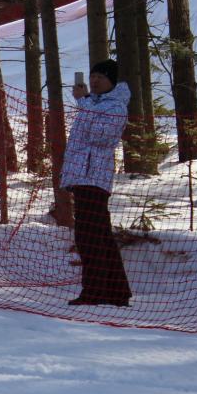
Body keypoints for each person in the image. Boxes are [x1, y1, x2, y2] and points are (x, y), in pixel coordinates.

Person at [61, 59, 132, 307]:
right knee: (99, 234)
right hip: (83, 176)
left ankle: (96, 291)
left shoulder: (115, 107)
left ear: (112, 81)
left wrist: (83, 103)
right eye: (92, 76)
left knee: (89, 236)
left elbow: (100, 136)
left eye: (100, 77)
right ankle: (116, 291)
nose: (94, 81)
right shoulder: (94, 104)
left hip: (94, 177)